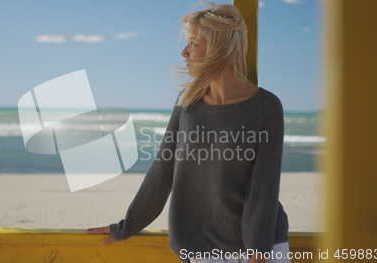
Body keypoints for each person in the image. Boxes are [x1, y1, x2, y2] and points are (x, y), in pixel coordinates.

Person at [86, 2, 290, 263]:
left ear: (219, 47)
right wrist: (127, 226)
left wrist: (258, 252)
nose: (184, 52)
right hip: (201, 247)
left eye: (193, 43)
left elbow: (264, 188)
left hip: (263, 245)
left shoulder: (266, 107)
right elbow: (162, 170)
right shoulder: (187, 102)